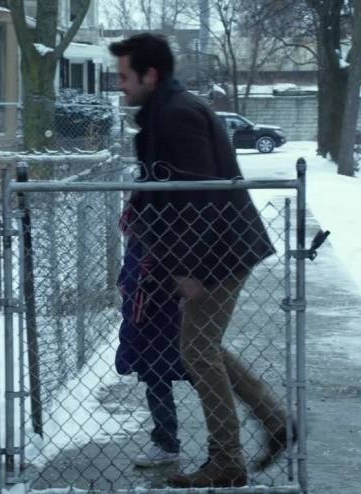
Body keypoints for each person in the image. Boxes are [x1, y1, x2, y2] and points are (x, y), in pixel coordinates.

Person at [109, 33, 289, 488]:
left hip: (218, 254)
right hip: (217, 251)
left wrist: (188, 268)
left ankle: (228, 460)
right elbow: (169, 192)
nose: (120, 85)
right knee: (203, 346)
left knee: (197, 351)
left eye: (125, 76)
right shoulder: (164, 112)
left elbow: (199, 196)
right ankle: (275, 422)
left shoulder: (178, 114)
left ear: (150, 75)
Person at [115, 205, 188, 468]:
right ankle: (166, 442)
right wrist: (127, 284)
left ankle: (224, 443)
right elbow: (133, 263)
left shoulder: (171, 211)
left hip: (172, 304)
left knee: (202, 370)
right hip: (148, 310)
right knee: (156, 375)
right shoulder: (141, 223)